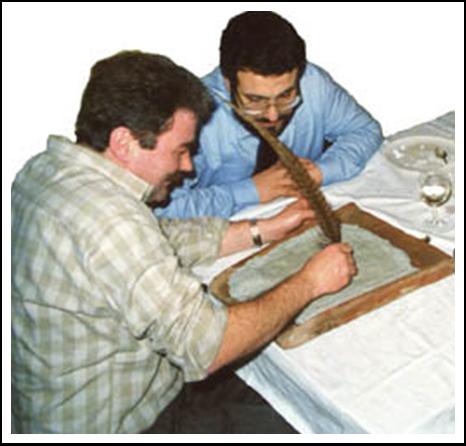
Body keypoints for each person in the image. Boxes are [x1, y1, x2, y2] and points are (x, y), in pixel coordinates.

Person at [11, 51, 356, 434]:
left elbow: (157, 238)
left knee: (273, 384)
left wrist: (261, 229)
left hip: (64, 405)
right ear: (124, 143)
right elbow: (209, 348)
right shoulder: (111, 222)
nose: (188, 166)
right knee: (317, 421)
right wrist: (311, 281)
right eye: (179, 150)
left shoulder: (47, 169)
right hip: (128, 424)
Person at [155, 11, 383, 219]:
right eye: (255, 100)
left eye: (286, 95)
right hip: (225, 233)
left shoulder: (313, 82)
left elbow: (366, 131)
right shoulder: (189, 115)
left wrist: (320, 171)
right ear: (227, 81)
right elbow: (163, 209)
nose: (273, 116)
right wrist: (251, 191)